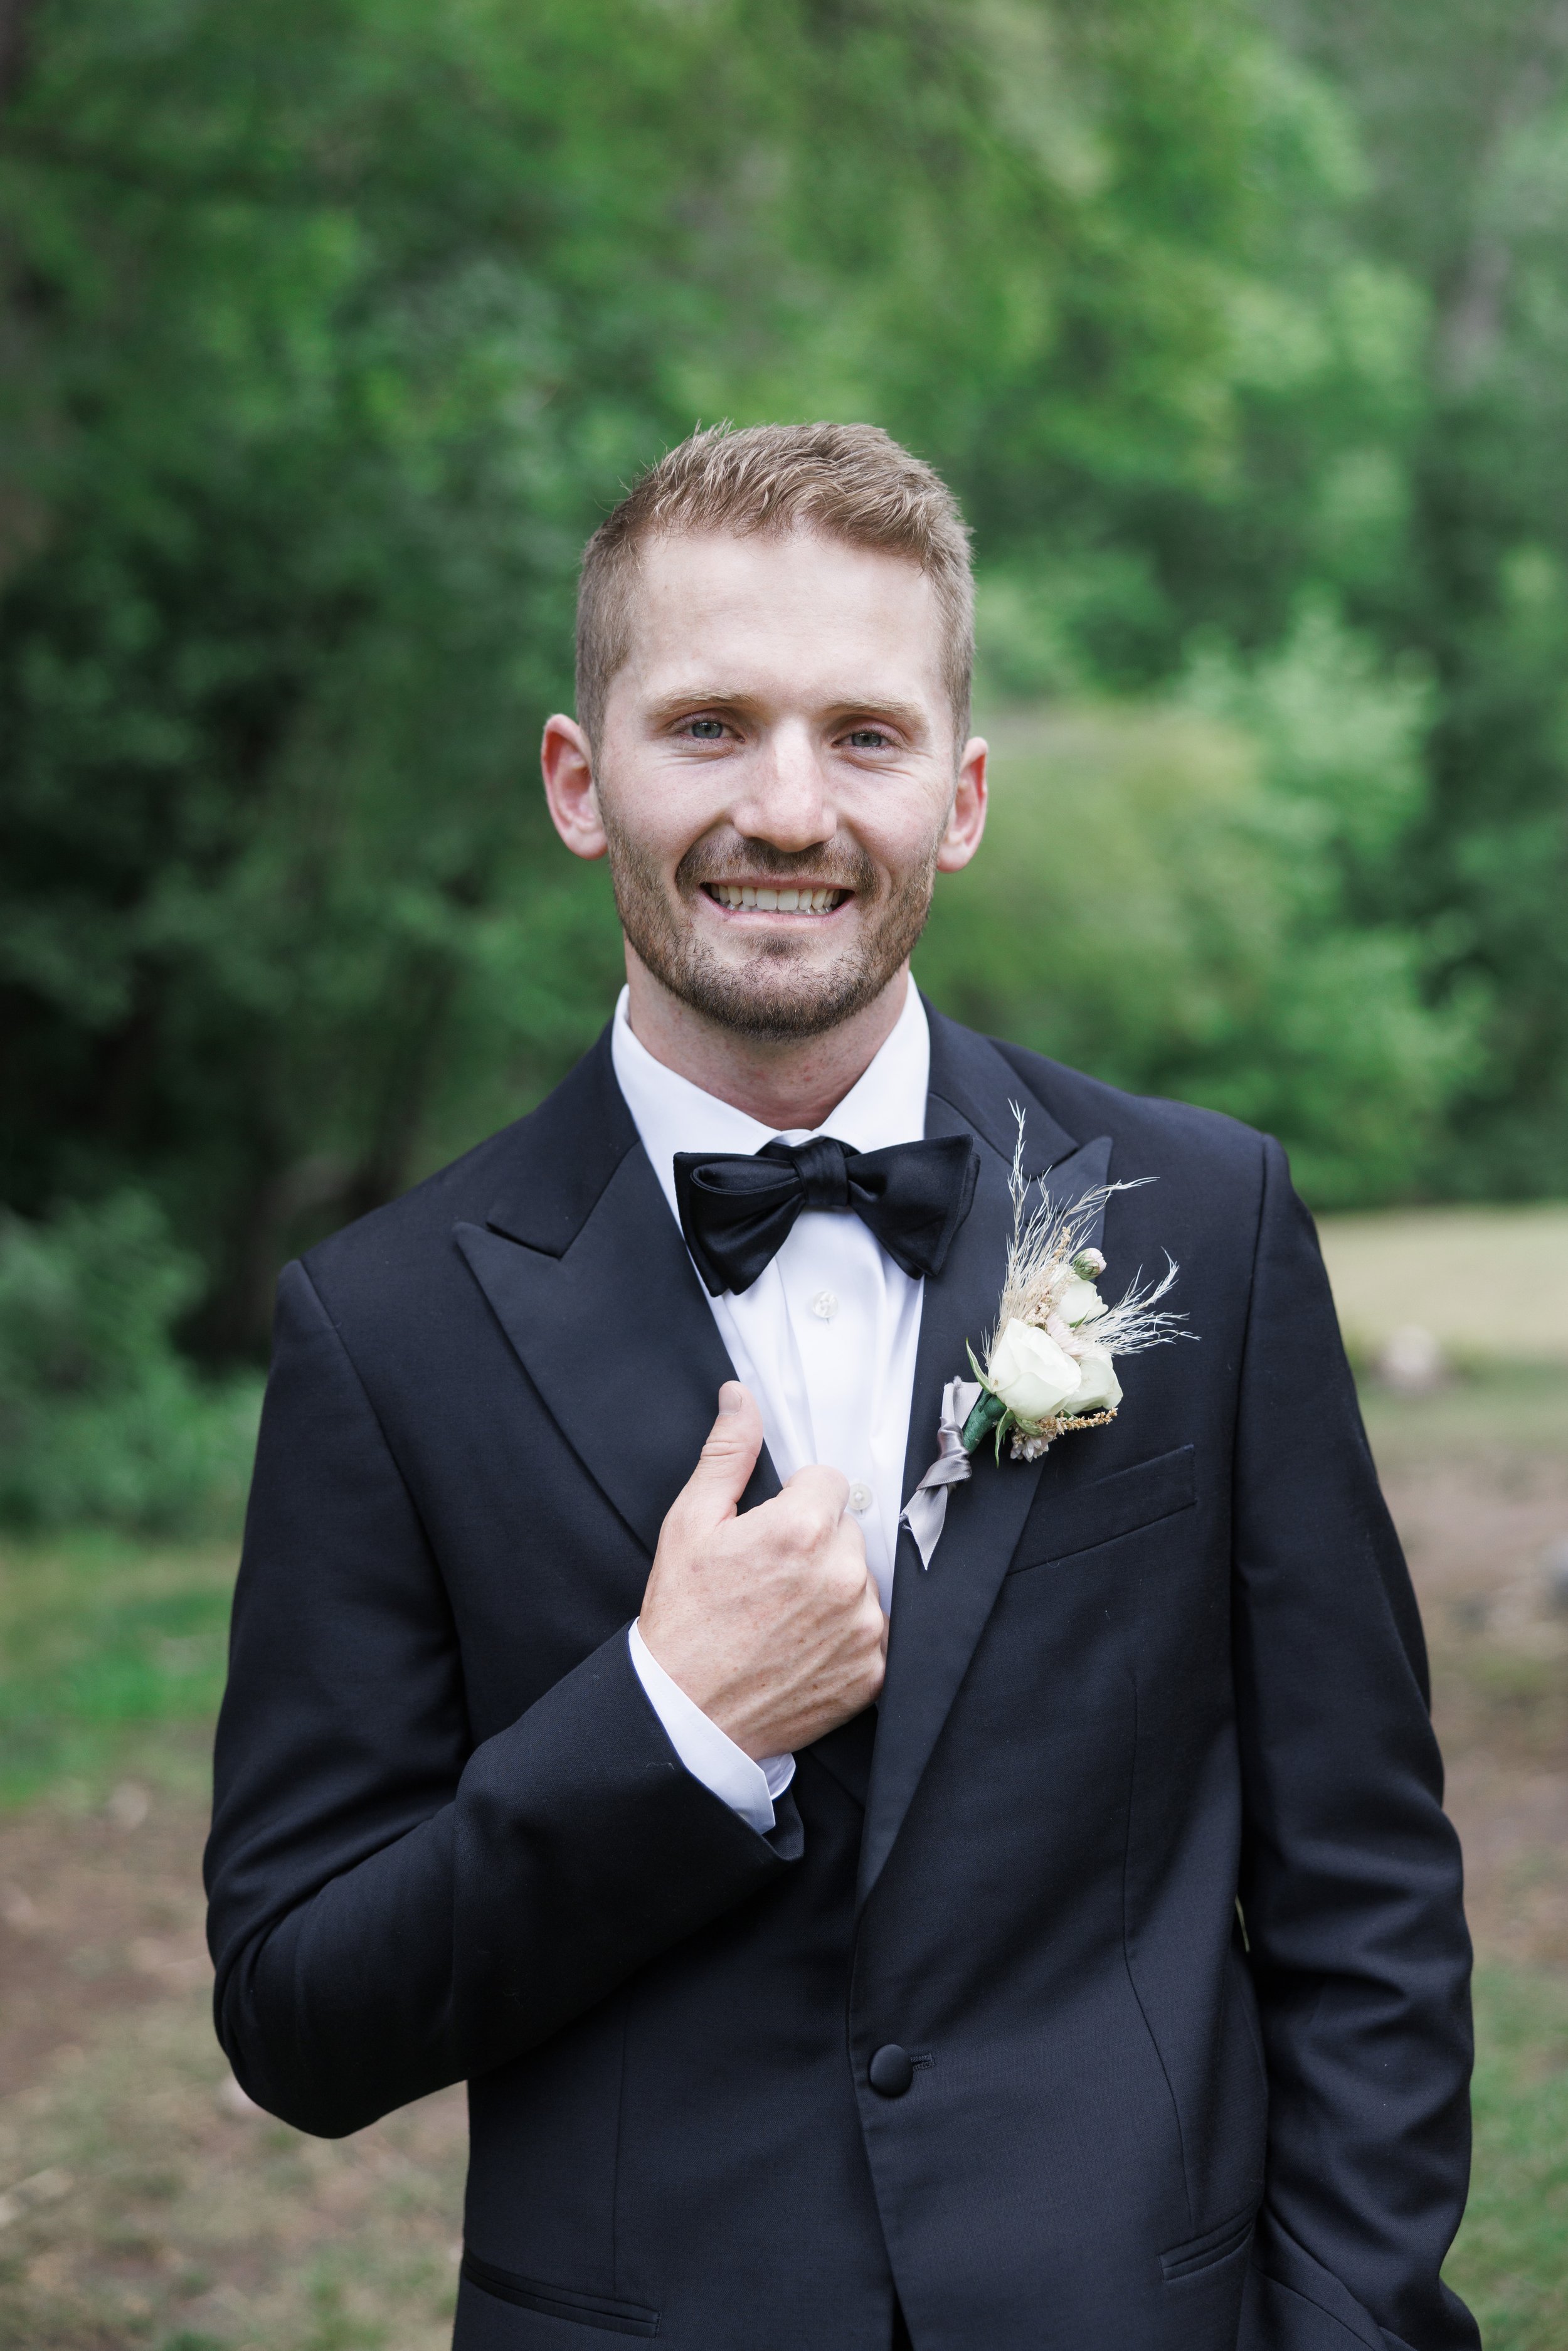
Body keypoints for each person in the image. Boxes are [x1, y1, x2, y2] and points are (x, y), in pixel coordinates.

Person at [204, 422, 1478, 2351]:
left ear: (958, 797)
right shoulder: (383, 1327)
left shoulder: (1199, 1225)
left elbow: (1361, 1890)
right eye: (706, 725)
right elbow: (301, 2009)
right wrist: (670, 1727)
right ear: (580, 778)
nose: (787, 808)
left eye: (862, 737)